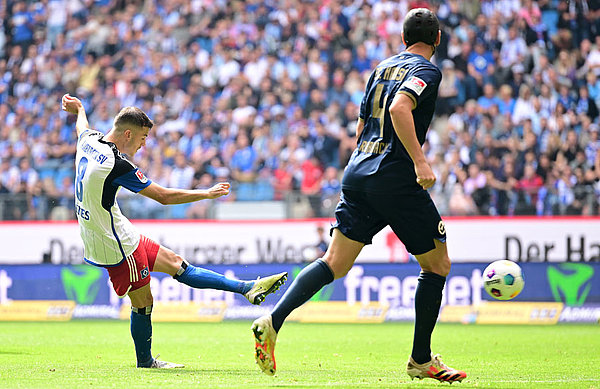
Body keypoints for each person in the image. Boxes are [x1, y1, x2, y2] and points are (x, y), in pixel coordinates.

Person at [251, 8, 466, 383]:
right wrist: (419, 161)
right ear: (437, 39)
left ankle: (273, 319)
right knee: (437, 266)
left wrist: (367, 163)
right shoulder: (427, 70)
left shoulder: (381, 68)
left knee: (334, 262)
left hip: (359, 170)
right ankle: (420, 360)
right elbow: (400, 107)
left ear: (402, 38)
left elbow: (361, 123)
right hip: (395, 178)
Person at [61, 94, 287, 369]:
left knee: (177, 264)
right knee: (143, 302)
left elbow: (81, 126)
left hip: (120, 230)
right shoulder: (116, 164)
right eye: (143, 137)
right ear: (128, 134)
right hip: (114, 244)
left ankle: (247, 288)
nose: (144, 144)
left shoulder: (89, 140)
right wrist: (205, 193)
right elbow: (164, 197)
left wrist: (80, 108)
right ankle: (145, 362)